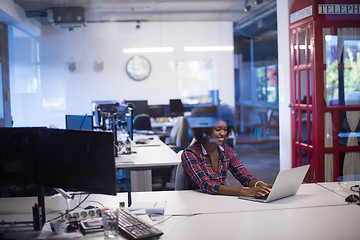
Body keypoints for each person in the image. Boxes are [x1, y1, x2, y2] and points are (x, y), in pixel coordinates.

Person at [181, 104, 272, 196]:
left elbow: (243, 175)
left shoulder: (227, 151)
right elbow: (206, 184)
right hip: (195, 202)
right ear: (205, 130)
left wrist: (257, 184)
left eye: (225, 129)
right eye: (218, 129)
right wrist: (244, 191)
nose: (223, 133)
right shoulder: (190, 154)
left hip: (218, 201)